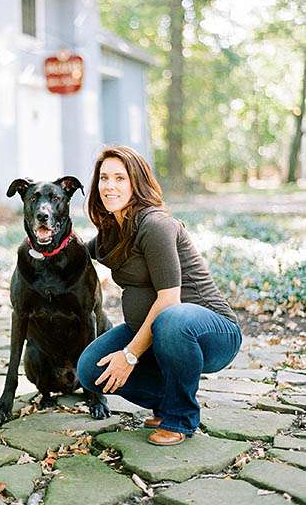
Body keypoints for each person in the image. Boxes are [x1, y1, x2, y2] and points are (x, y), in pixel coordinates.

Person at [76, 145, 242, 445]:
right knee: (90, 369)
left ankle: (181, 418)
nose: (109, 186)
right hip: (152, 332)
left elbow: (169, 299)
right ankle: (167, 403)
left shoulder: (156, 225)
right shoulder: (112, 231)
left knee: (172, 319)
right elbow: (75, 254)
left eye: (119, 178)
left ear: (136, 182)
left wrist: (129, 355)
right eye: (103, 178)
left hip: (211, 334)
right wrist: (44, 240)